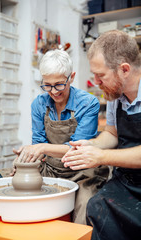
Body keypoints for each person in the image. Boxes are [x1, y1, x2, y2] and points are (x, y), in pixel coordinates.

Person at [0, 49, 109, 224]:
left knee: (84, 209)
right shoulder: (39, 104)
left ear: (71, 77)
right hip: (49, 168)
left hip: (82, 171)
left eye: (59, 84)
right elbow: (38, 144)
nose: (53, 91)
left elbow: (78, 149)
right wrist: (26, 158)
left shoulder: (88, 103)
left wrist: (40, 148)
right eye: (47, 85)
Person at [61, 30, 141, 239]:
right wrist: (91, 145)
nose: (95, 81)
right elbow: (112, 135)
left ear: (124, 69)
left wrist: (101, 157)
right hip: (127, 180)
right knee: (97, 205)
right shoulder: (116, 96)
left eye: (101, 75)